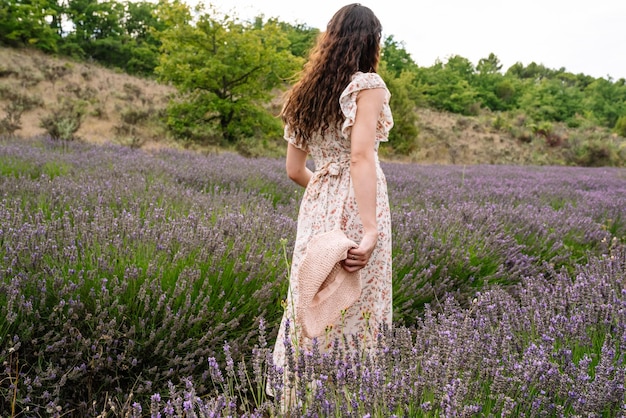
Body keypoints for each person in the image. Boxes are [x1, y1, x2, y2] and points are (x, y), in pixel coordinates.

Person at [272, 1, 393, 390]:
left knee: (314, 293)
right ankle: (349, 395)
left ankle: (302, 391)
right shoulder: (368, 86)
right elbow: (360, 156)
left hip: (316, 205)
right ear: (371, 42)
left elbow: (294, 171)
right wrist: (370, 228)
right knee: (357, 300)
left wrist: (325, 190)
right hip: (360, 203)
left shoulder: (303, 94)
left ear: (330, 40)